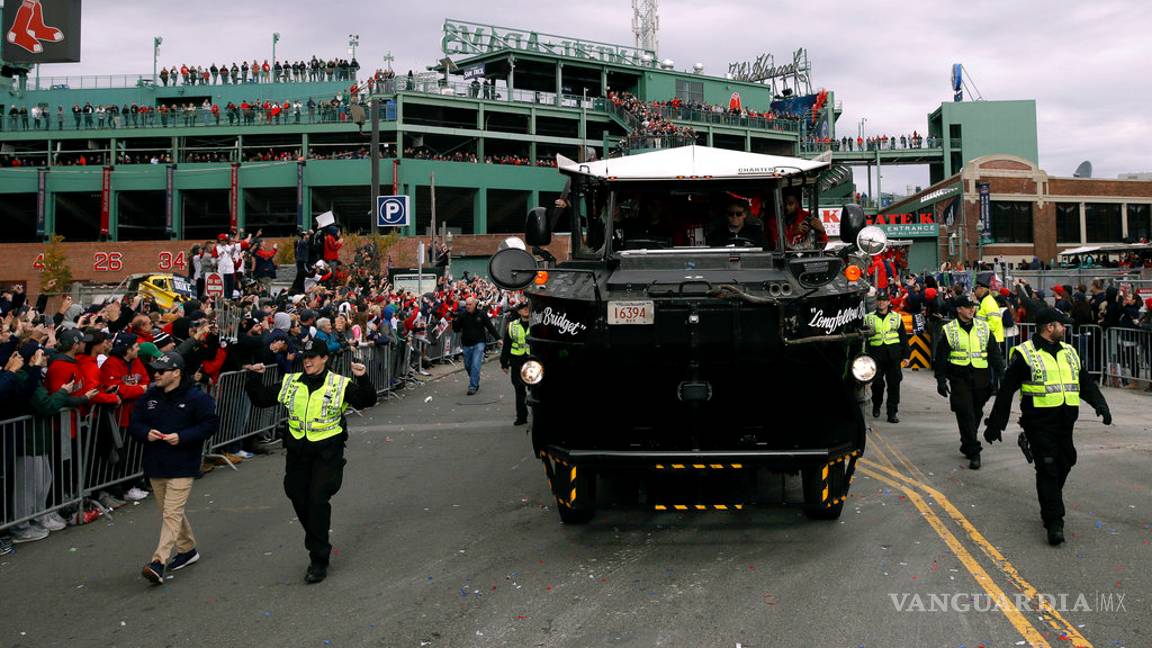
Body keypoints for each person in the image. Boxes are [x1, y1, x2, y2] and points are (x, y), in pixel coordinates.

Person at [243, 339, 377, 583]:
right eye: (305, 357)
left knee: (317, 499)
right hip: (298, 451)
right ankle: (317, 539)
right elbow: (261, 399)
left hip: (327, 452)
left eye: (313, 357)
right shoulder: (291, 382)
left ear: (324, 358)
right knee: (296, 495)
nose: (308, 361)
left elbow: (367, 401)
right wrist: (254, 377)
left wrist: (364, 378)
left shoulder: (339, 384)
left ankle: (318, 558)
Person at [983, 308, 1111, 545]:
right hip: (1038, 422)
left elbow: (1084, 382)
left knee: (1066, 460)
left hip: (1065, 421)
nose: (1065, 328)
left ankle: (1050, 501)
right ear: (1049, 327)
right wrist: (996, 424)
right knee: (1048, 467)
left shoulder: (1070, 351)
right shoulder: (1024, 354)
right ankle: (1054, 521)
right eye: (1062, 324)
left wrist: (1100, 405)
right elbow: (1007, 390)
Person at [127, 352, 219, 585]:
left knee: (171, 512)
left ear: (176, 373)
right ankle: (188, 549)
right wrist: (145, 433)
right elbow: (134, 423)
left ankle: (158, 562)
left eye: (161, 371)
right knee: (170, 513)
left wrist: (183, 436)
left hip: (183, 464)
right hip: (155, 463)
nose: (155, 374)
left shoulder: (196, 398)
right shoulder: (149, 397)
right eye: (154, 370)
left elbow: (210, 424)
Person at [934, 295, 1004, 470]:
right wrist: (941, 380)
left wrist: (1003, 375)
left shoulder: (984, 328)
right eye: (967, 307)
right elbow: (941, 357)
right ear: (959, 310)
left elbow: (994, 353)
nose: (971, 309)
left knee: (976, 413)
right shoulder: (949, 330)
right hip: (959, 376)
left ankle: (967, 442)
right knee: (965, 412)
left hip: (981, 376)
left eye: (972, 306)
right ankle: (974, 451)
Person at [864, 292, 909, 423]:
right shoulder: (869, 318)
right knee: (877, 384)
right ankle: (877, 405)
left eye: (884, 300)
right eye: (879, 300)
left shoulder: (896, 317)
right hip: (876, 355)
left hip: (893, 355)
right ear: (876, 302)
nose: (881, 303)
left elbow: (903, 338)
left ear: (889, 302)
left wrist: (906, 356)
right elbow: (865, 339)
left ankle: (892, 413)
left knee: (894, 384)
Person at [452, 297, 499, 395]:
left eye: (470, 304)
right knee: (468, 365)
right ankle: (475, 378)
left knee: (475, 364)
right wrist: (454, 320)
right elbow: (456, 329)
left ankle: (472, 386)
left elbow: (490, 326)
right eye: (467, 305)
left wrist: (498, 338)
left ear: (474, 304)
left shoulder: (481, 314)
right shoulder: (463, 315)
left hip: (479, 343)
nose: (468, 306)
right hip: (466, 344)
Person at [500, 301, 532, 426]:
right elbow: (507, 345)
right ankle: (521, 416)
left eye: (527, 308)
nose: (525, 310)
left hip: (532, 362)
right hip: (517, 361)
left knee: (535, 389)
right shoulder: (512, 325)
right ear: (518, 311)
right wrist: (504, 363)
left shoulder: (537, 324)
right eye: (522, 308)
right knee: (519, 390)